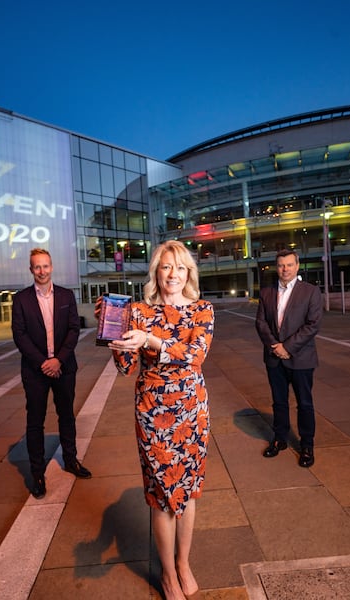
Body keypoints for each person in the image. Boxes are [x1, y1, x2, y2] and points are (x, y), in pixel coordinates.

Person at [96, 240, 214, 600]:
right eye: (166, 267)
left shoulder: (202, 310)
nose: (172, 275)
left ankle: (183, 563)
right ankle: (167, 573)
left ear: (188, 273)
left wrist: (151, 339)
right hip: (152, 411)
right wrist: (113, 332)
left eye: (179, 267)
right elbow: (127, 367)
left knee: (189, 491)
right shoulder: (138, 312)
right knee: (163, 495)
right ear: (156, 272)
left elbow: (195, 356)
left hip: (192, 410)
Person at [12, 248, 91, 499]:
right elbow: (20, 335)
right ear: (31, 269)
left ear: (52, 267)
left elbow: (73, 329)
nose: (42, 271)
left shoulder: (67, 295)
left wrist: (58, 360)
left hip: (64, 368)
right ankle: (37, 473)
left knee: (66, 415)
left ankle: (70, 460)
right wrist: (44, 363)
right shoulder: (21, 299)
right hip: (35, 371)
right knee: (35, 421)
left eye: (45, 266)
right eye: (37, 267)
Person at [255, 249, 323, 468]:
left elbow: (312, 325)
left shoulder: (310, 292)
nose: (285, 269)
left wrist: (288, 347)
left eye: (289, 265)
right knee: (279, 402)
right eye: (281, 265)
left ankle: (307, 445)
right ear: (277, 267)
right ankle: (280, 439)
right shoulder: (266, 292)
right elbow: (261, 323)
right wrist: (276, 347)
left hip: (301, 358)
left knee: (304, 403)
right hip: (274, 358)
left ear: (297, 265)